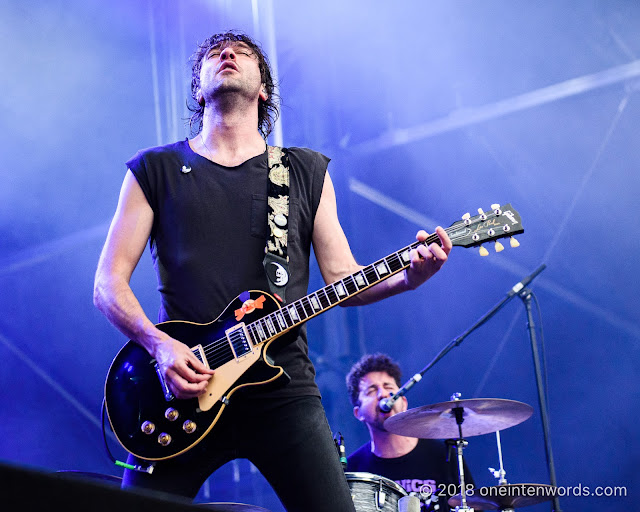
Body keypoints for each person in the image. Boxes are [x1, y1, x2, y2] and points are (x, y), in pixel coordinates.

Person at [93, 30, 452, 512]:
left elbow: (343, 276)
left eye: (242, 52)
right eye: (214, 53)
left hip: (282, 386)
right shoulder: (153, 169)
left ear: (263, 88)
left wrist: (409, 278)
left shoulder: (303, 171)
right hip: (182, 389)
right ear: (198, 89)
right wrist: (161, 348)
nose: (227, 54)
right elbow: (107, 284)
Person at [346, 353, 475, 511]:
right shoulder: (354, 470)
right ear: (358, 413)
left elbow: (474, 506)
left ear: (404, 402)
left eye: (389, 387)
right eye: (372, 390)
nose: (383, 394)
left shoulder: (444, 456)